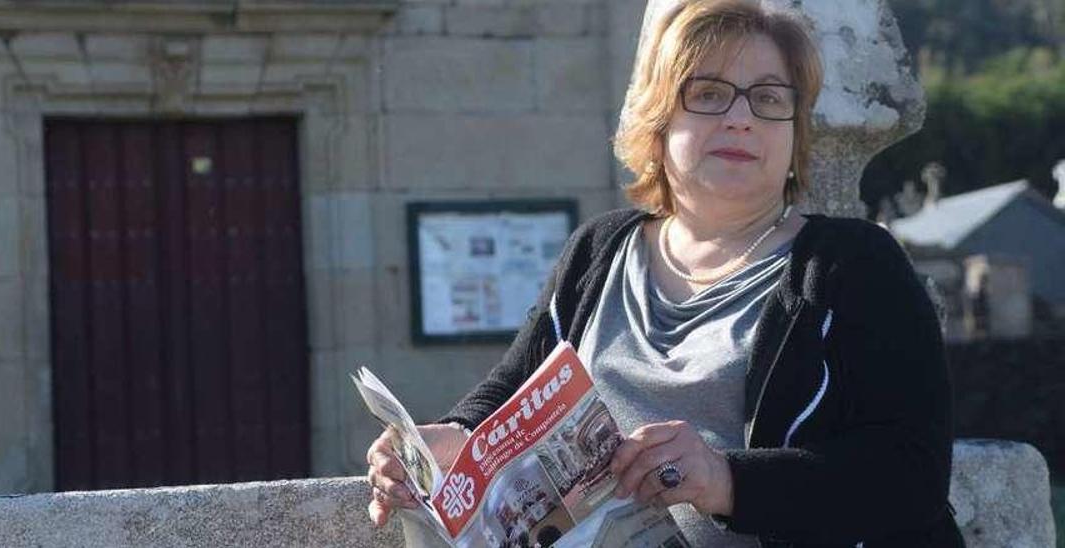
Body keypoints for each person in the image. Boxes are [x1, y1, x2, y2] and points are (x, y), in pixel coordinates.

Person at [365, 0, 963, 545]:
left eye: (769, 99)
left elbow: (913, 474)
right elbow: (514, 388)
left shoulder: (852, 266)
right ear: (658, 119)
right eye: (708, 93)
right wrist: (451, 438)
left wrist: (725, 479)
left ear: (793, 134)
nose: (741, 119)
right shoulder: (597, 251)